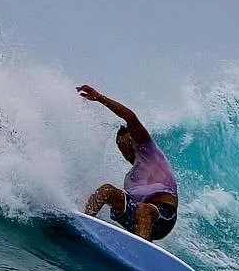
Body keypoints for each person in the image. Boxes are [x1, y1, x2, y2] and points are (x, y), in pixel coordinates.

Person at [77, 84, 179, 242]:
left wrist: (100, 98)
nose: (123, 147)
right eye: (120, 145)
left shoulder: (149, 150)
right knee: (107, 190)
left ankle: (143, 250)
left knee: (143, 210)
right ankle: (83, 222)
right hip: (138, 216)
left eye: (126, 142)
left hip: (163, 219)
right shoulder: (130, 178)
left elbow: (130, 117)